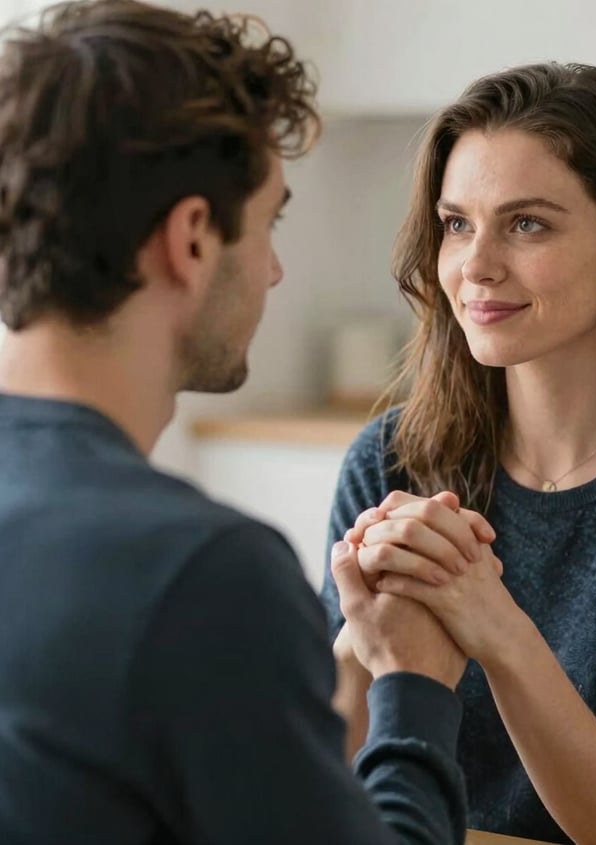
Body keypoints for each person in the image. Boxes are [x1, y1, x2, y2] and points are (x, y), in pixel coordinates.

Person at [0, 1, 470, 842]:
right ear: (189, 239)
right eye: (268, 223)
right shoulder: (201, 573)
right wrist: (417, 683)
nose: (276, 267)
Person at [321, 62, 596, 845]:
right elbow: (325, 779)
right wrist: (361, 639)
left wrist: (492, 623)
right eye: (457, 223)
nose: (476, 266)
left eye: (527, 224)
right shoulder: (393, 461)